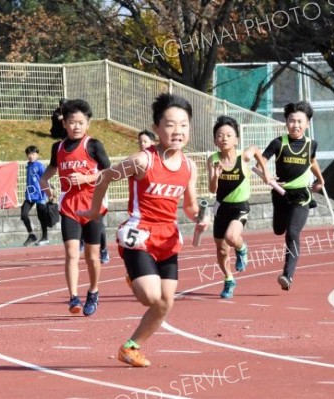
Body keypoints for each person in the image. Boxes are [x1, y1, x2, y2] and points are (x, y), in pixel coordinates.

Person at [80, 93, 207, 367]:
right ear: (157, 127)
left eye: (184, 125)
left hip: (168, 238)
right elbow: (104, 176)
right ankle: (134, 276)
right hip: (139, 234)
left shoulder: (189, 166)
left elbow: (189, 205)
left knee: (165, 303)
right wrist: (93, 210)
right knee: (150, 296)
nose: (178, 131)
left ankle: (131, 347)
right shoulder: (142, 160)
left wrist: (198, 216)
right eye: (171, 125)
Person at [40, 99, 110, 316]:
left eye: (81, 122)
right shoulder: (58, 148)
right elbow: (48, 172)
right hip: (69, 207)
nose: (76, 126)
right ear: (64, 124)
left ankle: (94, 291)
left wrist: (87, 177)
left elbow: (111, 173)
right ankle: (73, 297)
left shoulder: (93, 145)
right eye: (72, 122)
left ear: (87, 124)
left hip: (92, 205)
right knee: (71, 254)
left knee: (92, 256)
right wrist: (45, 185)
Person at [262, 101, 325, 291]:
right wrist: (266, 173)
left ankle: (287, 275)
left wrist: (320, 179)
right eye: (291, 121)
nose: (295, 125)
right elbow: (261, 159)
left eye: (299, 121)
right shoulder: (278, 143)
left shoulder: (311, 144)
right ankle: (280, 222)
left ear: (307, 124)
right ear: (286, 122)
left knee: (293, 233)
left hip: (302, 195)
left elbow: (311, 161)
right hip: (280, 194)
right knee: (279, 230)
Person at [207, 116, 269, 299]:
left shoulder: (244, 156)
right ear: (215, 140)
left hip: (240, 207)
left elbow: (257, 150)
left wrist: (265, 173)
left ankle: (242, 248)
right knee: (221, 249)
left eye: (228, 135)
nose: (224, 138)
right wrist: (215, 176)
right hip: (221, 208)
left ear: (236, 139)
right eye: (220, 135)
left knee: (231, 237)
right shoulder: (213, 160)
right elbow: (212, 189)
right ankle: (229, 279)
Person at [21, 145, 49, 246]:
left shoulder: (39, 166)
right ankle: (31, 235)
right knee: (24, 215)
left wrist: (48, 191)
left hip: (40, 195)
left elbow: (45, 178)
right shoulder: (28, 165)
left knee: (42, 217)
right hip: (30, 195)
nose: (31, 156)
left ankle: (45, 237)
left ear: (37, 154)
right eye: (29, 154)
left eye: (33, 154)